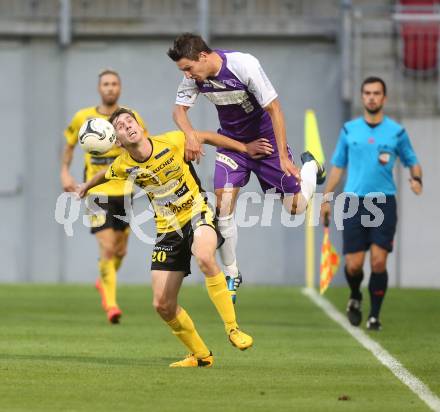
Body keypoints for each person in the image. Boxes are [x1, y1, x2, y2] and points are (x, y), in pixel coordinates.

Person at [76, 108, 272, 367]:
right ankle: (201, 355)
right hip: (167, 230)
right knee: (162, 304)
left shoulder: (172, 141)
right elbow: (106, 173)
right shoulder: (124, 164)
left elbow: (208, 137)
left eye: (130, 121)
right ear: (117, 140)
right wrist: (85, 187)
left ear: (140, 125)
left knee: (203, 255)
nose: (127, 126)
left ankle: (233, 328)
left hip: (197, 212)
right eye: (121, 127)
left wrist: (245, 148)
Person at [167, 33, 325, 303]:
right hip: (232, 144)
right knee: (223, 203)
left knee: (296, 208)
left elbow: (274, 108)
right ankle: (231, 274)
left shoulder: (243, 64)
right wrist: (190, 135)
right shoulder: (195, 77)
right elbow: (179, 111)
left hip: (266, 143)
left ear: (202, 57)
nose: (187, 75)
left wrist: (285, 158)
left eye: (188, 69)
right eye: (184, 71)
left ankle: (311, 166)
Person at [321, 76, 422, 331]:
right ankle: (355, 295)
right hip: (354, 203)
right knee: (353, 265)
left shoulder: (397, 132)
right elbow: (338, 167)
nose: (372, 97)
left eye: (377, 93)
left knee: (378, 261)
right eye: (367, 93)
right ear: (362, 96)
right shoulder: (349, 130)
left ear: (384, 98)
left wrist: (416, 178)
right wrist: (326, 196)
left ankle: (374, 316)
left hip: (383, 203)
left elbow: (412, 160)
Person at [60, 69, 147, 324]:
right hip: (96, 192)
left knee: (120, 250)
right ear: (99, 88)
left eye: (114, 84)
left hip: (126, 190)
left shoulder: (131, 118)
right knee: (107, 247)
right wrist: (65, 173)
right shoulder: (83, 118)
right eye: (106, 84)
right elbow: (69, 146)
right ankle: (111, 305)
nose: (110, 88)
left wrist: (127, 144)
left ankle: (103, 280)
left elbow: (145, 146)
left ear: (120, 88)